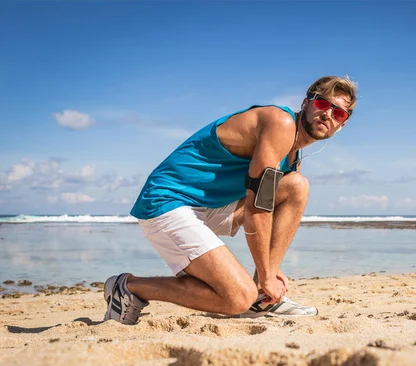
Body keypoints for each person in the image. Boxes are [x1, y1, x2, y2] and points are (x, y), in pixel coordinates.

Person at [103, 76, 358, 324]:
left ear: (342, 125)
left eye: (339, 113)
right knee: (238, 299)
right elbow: (258, 204)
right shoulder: (280, 123)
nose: (328, 115)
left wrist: (270, 268)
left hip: (210, 207)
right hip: (168, 201)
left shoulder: (293, 155)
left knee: (296, 186)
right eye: (323, 104)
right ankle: (129, 286)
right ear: (306, 103)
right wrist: (268, 275)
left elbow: (272, 205)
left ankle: (263, 295)